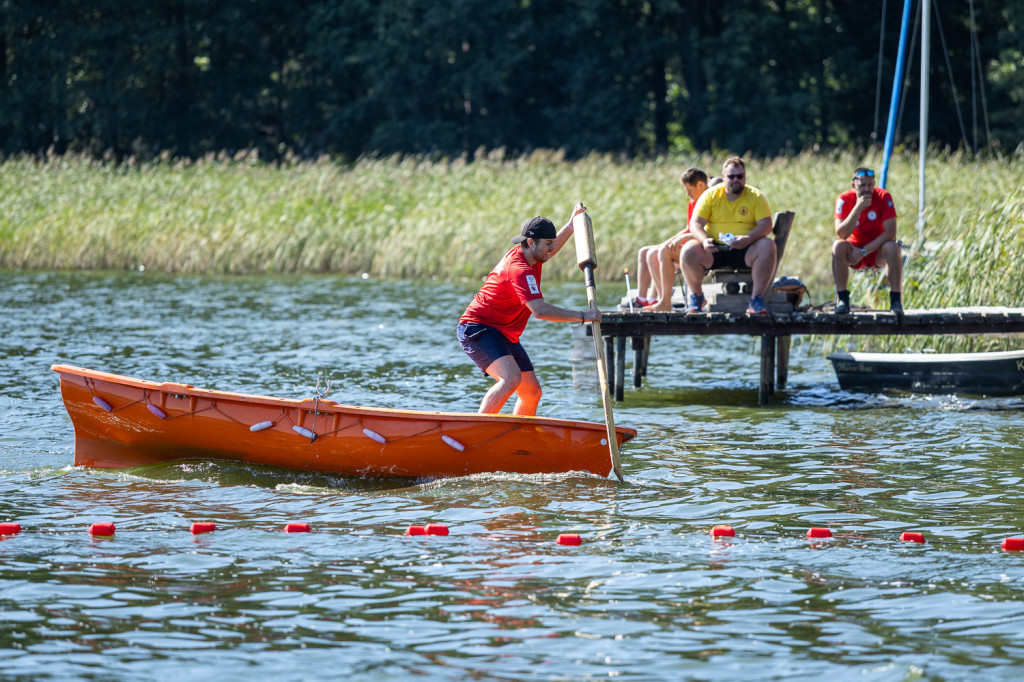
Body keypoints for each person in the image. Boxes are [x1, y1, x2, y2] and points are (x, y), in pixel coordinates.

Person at [457, 208, 601, 415]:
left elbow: (552, 247)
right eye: (547, 243)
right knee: (511, 379)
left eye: (552, 242)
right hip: (478, 329)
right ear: (531, 243)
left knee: (532, 392)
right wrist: (582, 316)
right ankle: (476, 432)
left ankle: (519, 439)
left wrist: (571, 226)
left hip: (504, 333)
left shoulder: (532, 256)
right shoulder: (519, 269)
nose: (551, 249)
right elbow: (540, 310)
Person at [680, 156, 776, 314]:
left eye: (740, 176)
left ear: (745, 176)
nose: (735, 180)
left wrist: (748, 239)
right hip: (715, 250)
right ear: (723, 177)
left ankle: (756, 300)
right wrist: (704, 241)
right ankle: (697, 298)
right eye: (731, 176)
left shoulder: (755, 196)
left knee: (768, 245)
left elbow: (766, 225)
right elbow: (695, 224)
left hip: (746, 250)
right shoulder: (710, 195)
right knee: (688, 250)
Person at [634, 167, 710, 312]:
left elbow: (706, 231)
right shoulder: (693, 201)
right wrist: (672, 240)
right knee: (647, 251)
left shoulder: (709, 199)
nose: (687, 194)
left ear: (701, 185)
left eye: (690, 190)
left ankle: (663, 300)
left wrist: (676, 240)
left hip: (699, 248)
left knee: (656, 252)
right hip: (690, 242)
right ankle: (650, 299)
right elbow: (689, 228)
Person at [832, 167, 903, 315]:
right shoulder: (843, 199)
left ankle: (896, 301)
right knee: (838, 246)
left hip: (876, 251)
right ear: (853, 186)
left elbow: (891, 233)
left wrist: (863, 252)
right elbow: (841, 233)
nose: (867, 190)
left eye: (870, 185)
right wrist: (857, 208)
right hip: (853, 251)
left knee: (892, 246)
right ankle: (843, 299)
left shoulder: (883, 197)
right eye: (862, 186)